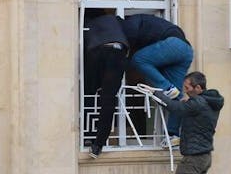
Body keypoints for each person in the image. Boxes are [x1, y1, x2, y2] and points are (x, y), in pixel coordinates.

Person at [158, 72, 222, 174]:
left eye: (187, 88)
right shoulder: (211, 101)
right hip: (205, 156)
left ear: (198, 88)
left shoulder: (198, 103)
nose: (185, 91)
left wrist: (157, 95)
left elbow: (176, 108)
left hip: (193, 157)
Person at [120, 14, 194, 139]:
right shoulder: (145, 22)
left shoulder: (128, 23)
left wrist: (123, 56)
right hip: (186, 51)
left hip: (174, 45)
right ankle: (173, 134)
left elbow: (131, 40)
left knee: (138, 59)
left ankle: (167, 86)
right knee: (176, 98)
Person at [83, 11, 129, 158]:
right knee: (108, 99)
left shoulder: (86, 22)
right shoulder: (116, 21)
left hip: (97, 51)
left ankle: (88, 136)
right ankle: (98, 145)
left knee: (89, 92)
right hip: (118, 53)